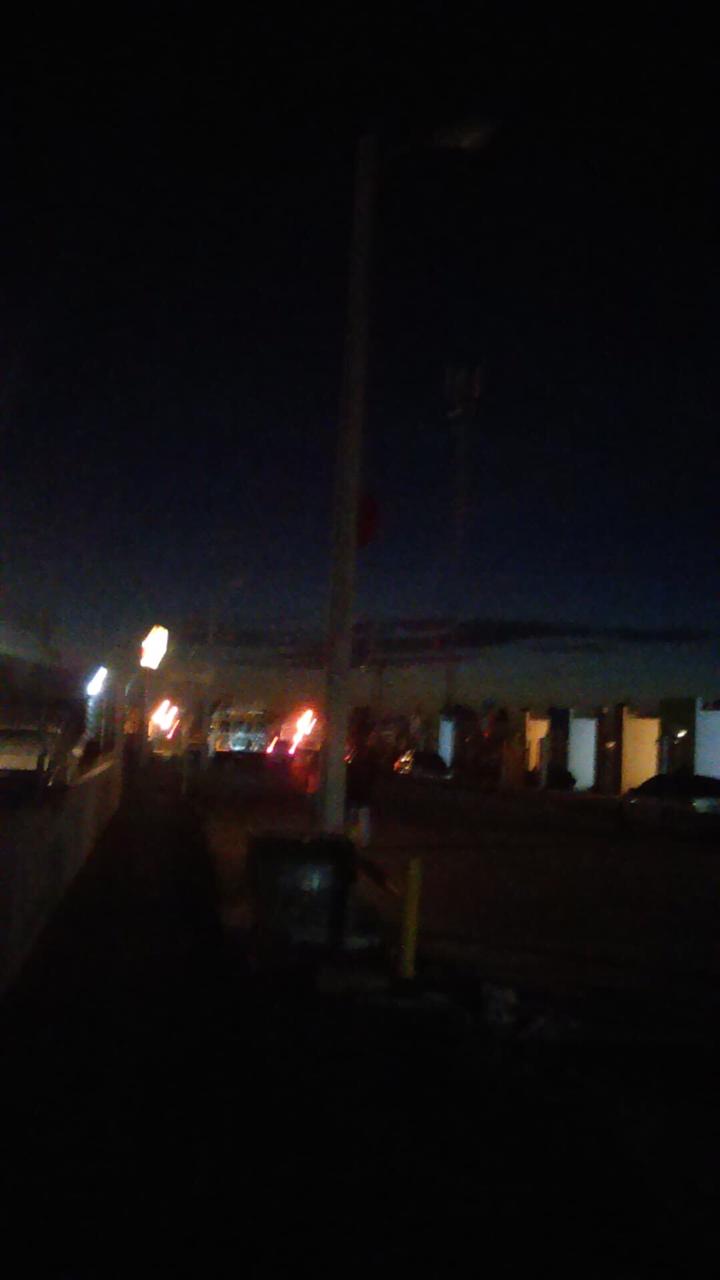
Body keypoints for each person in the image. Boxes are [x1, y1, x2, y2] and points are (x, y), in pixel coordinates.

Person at [345, 744, 377, 848]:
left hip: (356, 795)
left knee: (354, 818)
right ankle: (363, 841)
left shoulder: (354, 765)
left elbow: (350, 778)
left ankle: (353, 839)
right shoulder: (369, 765)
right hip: (364, 795)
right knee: (363, 818)